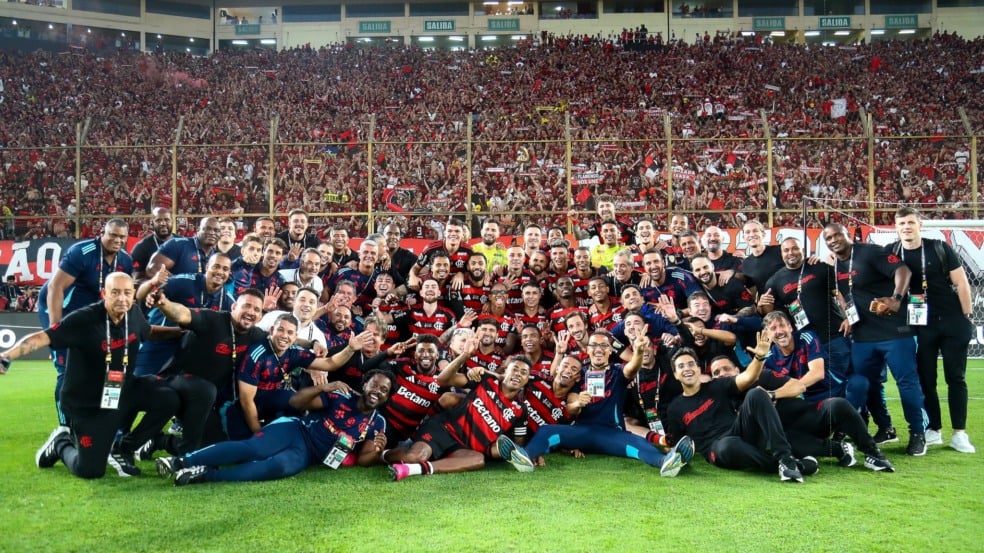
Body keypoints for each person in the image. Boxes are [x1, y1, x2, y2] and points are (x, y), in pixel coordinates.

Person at [1, 273, 179, 479]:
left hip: (123, 391)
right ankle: (60, 443)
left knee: (169, 398)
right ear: (104, 294)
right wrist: (6, 356)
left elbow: (149, 332)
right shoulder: (83, 319)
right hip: (88, 404)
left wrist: (183, 331)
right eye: (115, 293)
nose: (122, 298)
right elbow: (43, 337)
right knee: (91, 470)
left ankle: (123, 448)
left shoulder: (134, 313)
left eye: (127, 293)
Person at [155, 370, 394, 485]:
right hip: (296, 429)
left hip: (309, 455)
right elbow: (297, 402)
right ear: (365, 384)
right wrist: (323, 388)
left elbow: (363, 460)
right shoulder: (342, 396)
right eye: (375, 386)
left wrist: (375, 450)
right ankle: (180, 461)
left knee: (277, 467)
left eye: (384, 391)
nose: (378, 392)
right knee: (254, 449)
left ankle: (204, 476)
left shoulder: (377, 422)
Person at [523, 328, 695, 476]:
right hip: (582, 433)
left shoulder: (617, 372)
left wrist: (639, 352)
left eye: (604, 345)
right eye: (594, 345)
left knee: (639, 445)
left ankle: (666, 462)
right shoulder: (580, 374)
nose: (599, 349)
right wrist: (578, 403)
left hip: (612, 434)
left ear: (610, 350)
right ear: (588, 350)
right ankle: (525, 457)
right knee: (546, 431)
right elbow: (570, 406)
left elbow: (632, 368)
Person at [823, 222, 927, 456]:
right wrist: (848, 316)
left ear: (847, 234)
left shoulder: (869, 252)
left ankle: (918, 434)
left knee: (907, 383)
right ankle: (886, 428)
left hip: (895, 331)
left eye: (836, 235)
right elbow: (844, 294)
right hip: (863, 335)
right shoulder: (835, 264)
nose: (833, 240)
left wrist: (896, 298)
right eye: (827, 238)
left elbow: (903, 271)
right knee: (863, 384)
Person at [664, 337, 813, 483]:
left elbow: (748, 377)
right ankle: (793, 466)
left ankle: (786, 460)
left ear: (698, 369)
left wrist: (759, 357)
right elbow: (678, 445)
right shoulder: (674, 409)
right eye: (681, 366)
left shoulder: (717, 385)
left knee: (756, 393)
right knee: (727, 446)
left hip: (740, 432)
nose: (687, 369)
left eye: (691, 364)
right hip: (717, 448)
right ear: (676, 375)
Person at [708, 356, 894, 472]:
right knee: (779, 442)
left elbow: (799, 385)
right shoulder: (721, 401)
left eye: (726, 369)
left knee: (838, 405)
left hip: (806, 418)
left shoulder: (761, 376)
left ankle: (873, 454)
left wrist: (772, 395)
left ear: (738, 370)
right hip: (787, 438)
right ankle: (837, 448)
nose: (722, 374)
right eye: (717, 372)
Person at [891, 207, 975, 453]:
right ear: (896, 228)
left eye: (910, 222)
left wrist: (966, 317)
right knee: (926, 379)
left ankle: (959, 433)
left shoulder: (939, 247)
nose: (906, 227)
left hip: (951, 321)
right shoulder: (893, 253)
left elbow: (961, 283)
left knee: (955, 378)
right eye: (901, 223)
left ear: (920, 225)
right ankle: (934, 429)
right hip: (920, 325)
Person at [39, 218, 133, 425]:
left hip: (92, 316)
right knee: (67, 371)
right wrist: (56, 330)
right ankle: (65, 428)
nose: (117, 240)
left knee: (109, 368)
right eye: (113, 235)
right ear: (102, 233)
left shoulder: (124, 261)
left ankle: (104, 424)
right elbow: (55, 288)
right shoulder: (82, 252)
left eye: (122, 237)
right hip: (62, 311)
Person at [385, 355, 533, 481]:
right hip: (443, 430)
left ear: (527, 379)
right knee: (415, 456)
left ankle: (412, 470)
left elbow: (518, 444)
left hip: (462, 448)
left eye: (523, 372)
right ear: (505, 371)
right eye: (515, 369)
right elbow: (444, 380)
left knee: (478, 460)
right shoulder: (486, 380)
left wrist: (524, 455)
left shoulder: (521, 411)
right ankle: (382, 455)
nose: (518, 374)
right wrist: (465, 355)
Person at [148, 217, 221, 277]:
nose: (212, 233)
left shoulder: (217, 256)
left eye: (216, 230)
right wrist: (179, 285)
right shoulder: (178, 244)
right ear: (198, 229)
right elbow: (153, 268)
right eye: (208, 229)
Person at [130, 207, 172, 282]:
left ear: (172, 221)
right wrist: (155, 281)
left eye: (166, 220)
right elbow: (136, 279)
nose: (163, 223)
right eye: (158, 220)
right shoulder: (141, 247)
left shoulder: (182, 243)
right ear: (152, 223)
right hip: (153, 290)